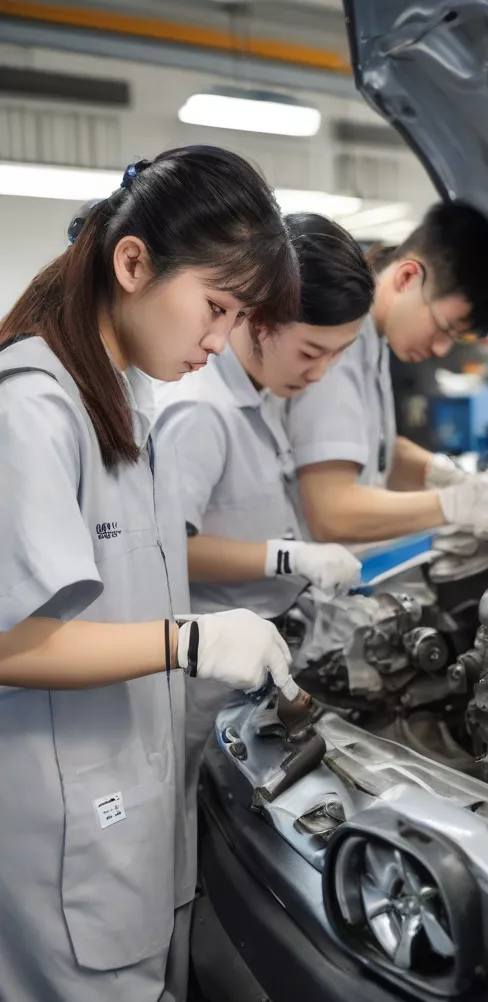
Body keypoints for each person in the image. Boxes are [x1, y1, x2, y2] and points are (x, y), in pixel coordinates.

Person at [0, 146, 302, 1002]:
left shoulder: (119, 401)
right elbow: (11, 642)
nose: (217, 343)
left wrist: (277, 570)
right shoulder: (33, 407)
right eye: (214, 308)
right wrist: (190, 641)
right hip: (66, 845)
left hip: (129, 824)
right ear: (132, 262)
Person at [152, 214, 374, 769]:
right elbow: (163, 549)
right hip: (206, 679)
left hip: (250, 668)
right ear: (257, 321)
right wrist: (288, 556)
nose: (321, 373)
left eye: (338, 354)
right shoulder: (201, 411)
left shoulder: (260, 395)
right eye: (309, 352)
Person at [285, 200, 488, 544]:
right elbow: (332, 513)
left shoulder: (373, 341)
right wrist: (450, 505)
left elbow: (366, 448)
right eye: (445, 328)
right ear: (408, 277)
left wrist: (440, 474)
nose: (441, 350)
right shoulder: (336, 346)